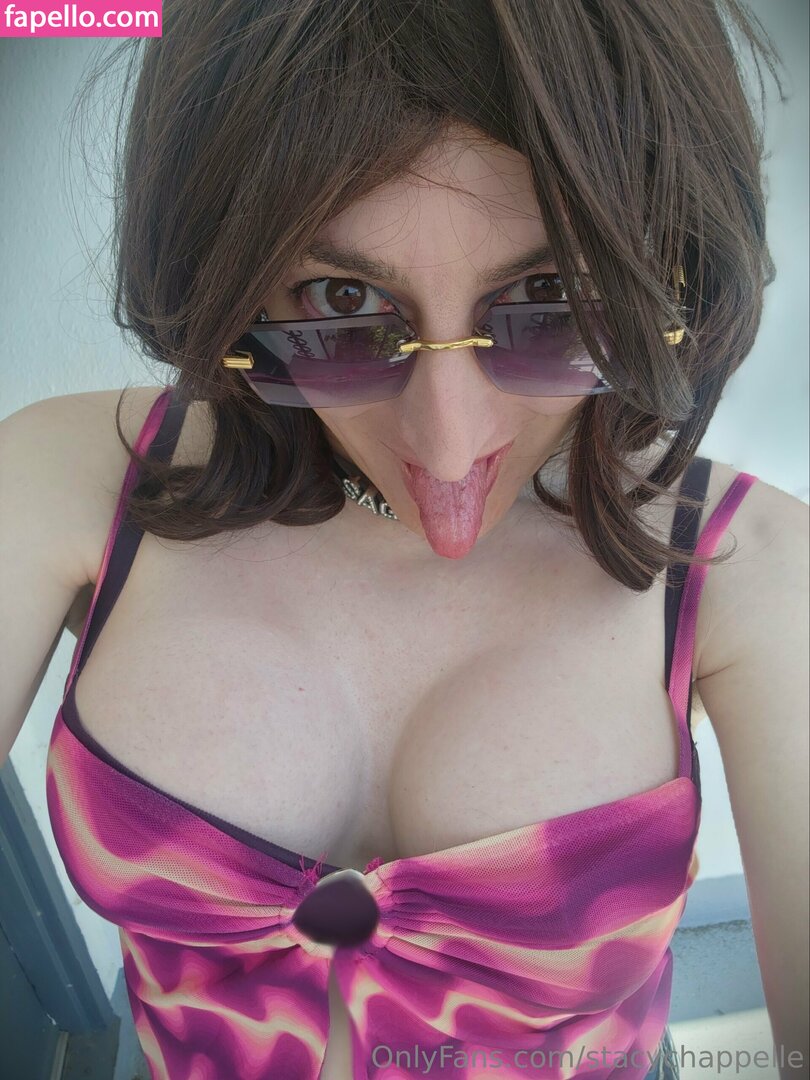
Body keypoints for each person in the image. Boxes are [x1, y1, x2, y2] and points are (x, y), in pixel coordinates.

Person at [1, 1, 807, 1078]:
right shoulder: (64, 481)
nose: (449, 442)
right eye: (341, 299)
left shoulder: (753, 571)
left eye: (550, 296)